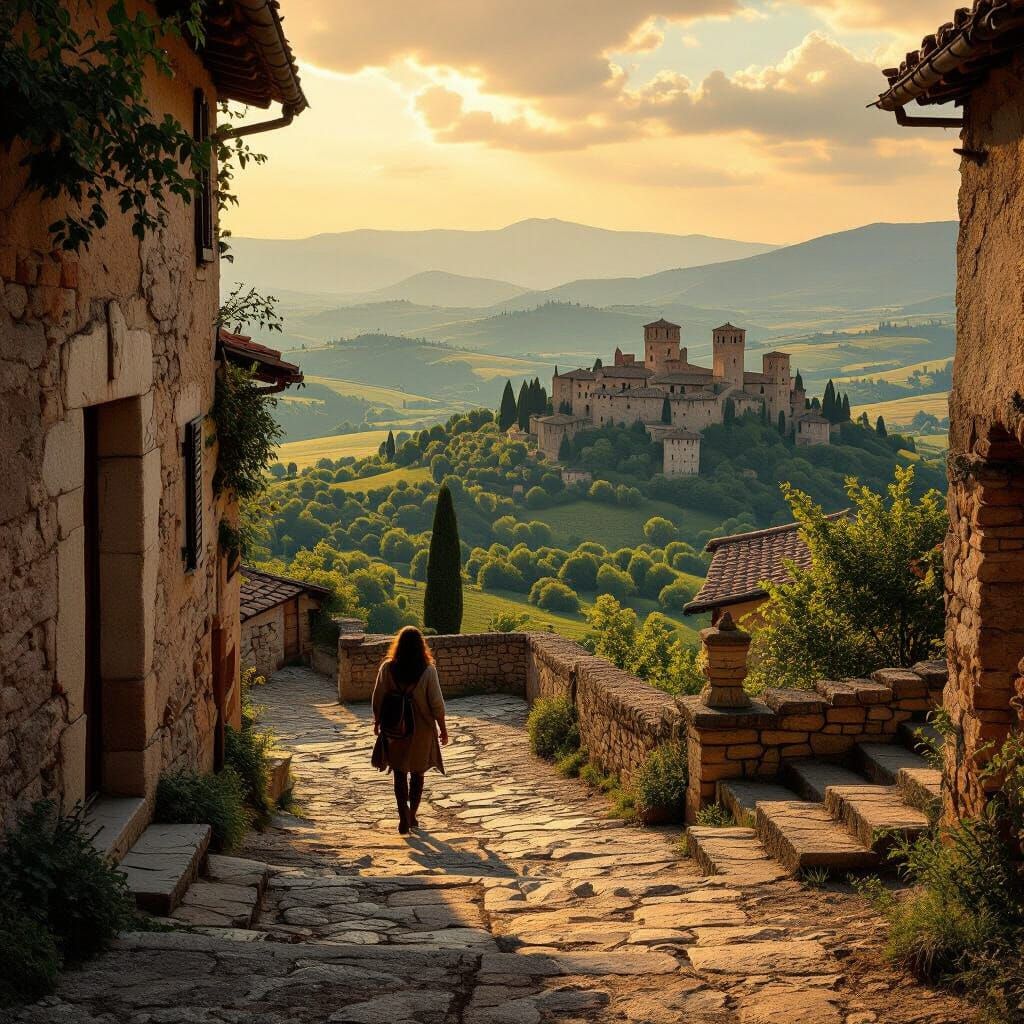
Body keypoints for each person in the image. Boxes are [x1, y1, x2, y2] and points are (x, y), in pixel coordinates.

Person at [371, 626, 448, 834]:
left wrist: (377, 721)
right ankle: (412, 814)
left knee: (399, 772)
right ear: (420, 646)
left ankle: (402, 814)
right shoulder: (428, 670)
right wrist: (443, 728)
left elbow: (377, 697)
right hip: (421, 730)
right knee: (417, 774)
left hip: (394, 728)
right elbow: (437, 704)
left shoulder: (388, 668)